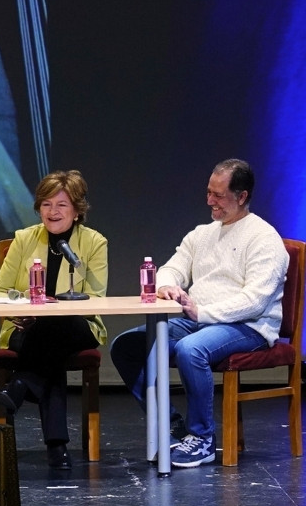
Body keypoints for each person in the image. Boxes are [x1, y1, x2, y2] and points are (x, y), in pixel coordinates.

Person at [109, 158, 289, 468]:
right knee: (126, 346)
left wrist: (202, 311)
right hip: (200, 320)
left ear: (242, 196)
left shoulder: (264, 239)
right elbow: (171, 267)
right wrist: (168, 287)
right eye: (208, 192)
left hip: (249, 326)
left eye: (218, 195)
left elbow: (256, 301)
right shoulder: (202, 234)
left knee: (191, 349)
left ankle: (202, 439)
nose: (210, 201)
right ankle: (171, 424)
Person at [0, 170, 108, 469]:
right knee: (49, 348)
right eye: (46, 204)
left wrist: (51, 311)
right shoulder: (24, 239)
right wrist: (23, 311)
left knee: (55, 324)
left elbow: (95, 297)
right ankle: (57, 447)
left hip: (77, 327)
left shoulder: (94, 243)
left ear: (77, 210)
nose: (52, 212)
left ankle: (21, 384)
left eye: (61, 205)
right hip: (25, 328)